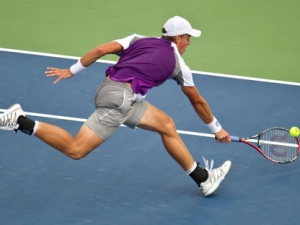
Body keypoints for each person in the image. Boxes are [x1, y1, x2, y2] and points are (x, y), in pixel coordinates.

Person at [0, 16, 231, 196]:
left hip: (113, 91)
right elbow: (197, 101)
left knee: (167, 125)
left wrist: (72, 70)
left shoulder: (136, 39)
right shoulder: (180, 66)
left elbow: (101, 50)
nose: (189, 43)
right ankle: (19, 120)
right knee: (76, 149)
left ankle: (203, 179)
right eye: (188, 38)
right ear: (178, 38)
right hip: (120, 101)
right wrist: (217, 129)